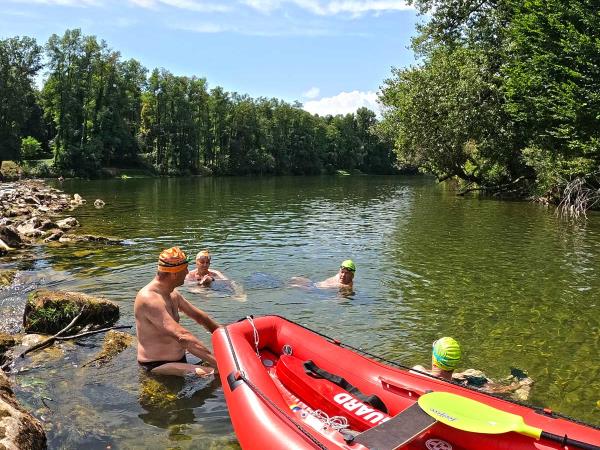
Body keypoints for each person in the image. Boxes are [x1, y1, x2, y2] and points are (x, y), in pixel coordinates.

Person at [135, 246, 220, 378]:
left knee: (215, 365)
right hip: (157, 364)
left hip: (179, 357)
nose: (187, 272)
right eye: (184, 269)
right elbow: (182, 336)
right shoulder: (149, 298)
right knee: (218, 372)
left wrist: (224, 334)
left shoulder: (172, 293)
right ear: (174, 274)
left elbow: (200, 317)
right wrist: (221, 363)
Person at [412, 337, 533, 400]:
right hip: (459, 383)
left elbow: (432, 375)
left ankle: (520, 384)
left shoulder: (417, 371)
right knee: (483, 381)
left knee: (471, 374)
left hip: (449, 379)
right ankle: (522, 384)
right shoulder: (464, 387)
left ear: (434, 358)